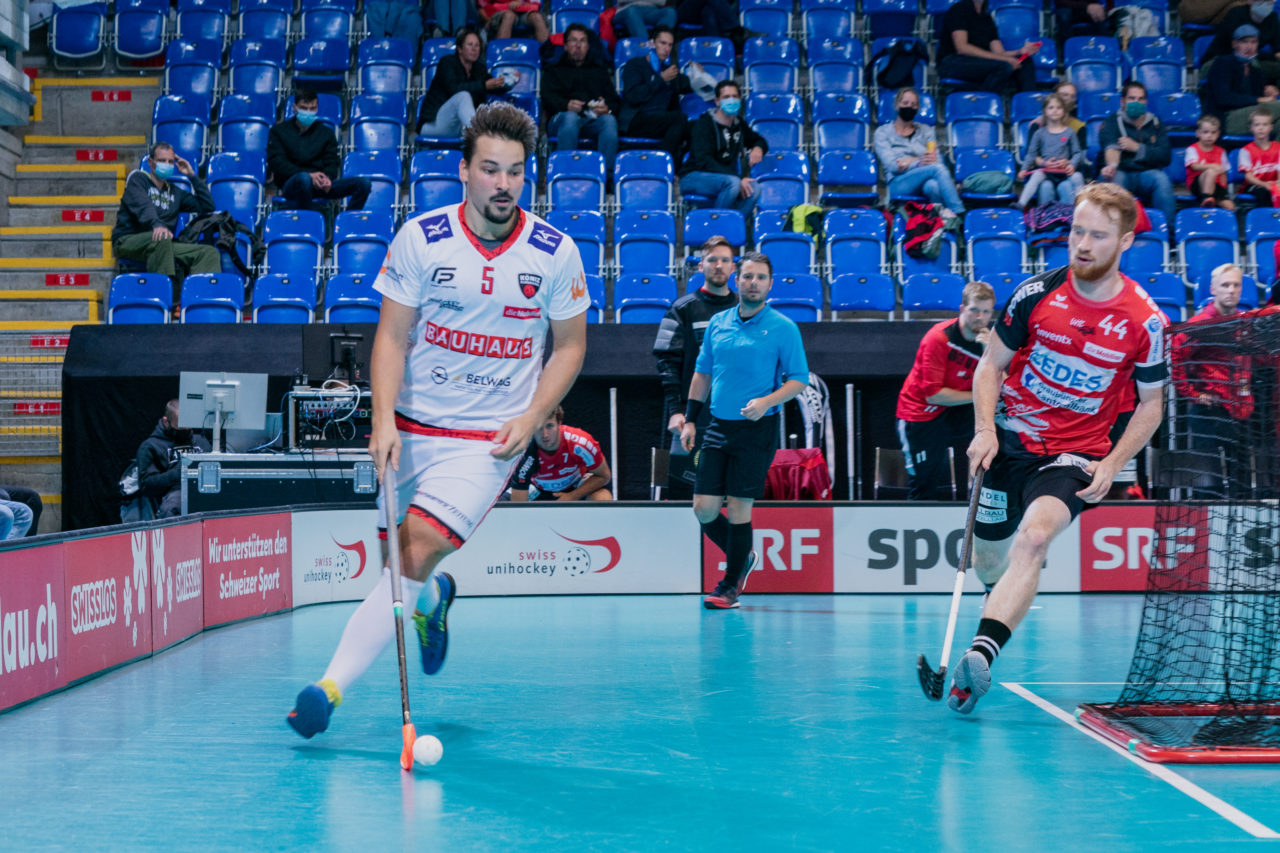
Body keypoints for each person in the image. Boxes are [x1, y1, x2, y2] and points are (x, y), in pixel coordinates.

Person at [287, 102, 590, 738]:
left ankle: (327, 690)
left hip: (488, 442)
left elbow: (569, 347)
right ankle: (432, 602)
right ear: (464, 171)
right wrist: (382, 420)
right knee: (398, 568)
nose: (504, 184)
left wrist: (533, 416)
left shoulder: (555, 252)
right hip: (410, 430)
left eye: (515, 172)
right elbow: (391, 337)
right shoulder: (421, 238)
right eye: (491, 169)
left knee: (414, 549)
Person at [948, 183, 1169, 714]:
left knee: (1034, 538)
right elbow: (990, 365)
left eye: (1098, 235)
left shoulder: (1145, 321)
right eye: (1076, 231)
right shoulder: (1036, 294)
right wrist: (984, 429)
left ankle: (980, 655)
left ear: (1126, 241)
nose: (1083, 245)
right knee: (988, 558)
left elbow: (1151, 404)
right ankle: (997, 596)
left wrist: (1114, 463)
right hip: (1008, 441)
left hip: (1075, 452)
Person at [680, 252, 810, 610]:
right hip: (717, 427)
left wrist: (767, 401)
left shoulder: (784, 327)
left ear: (770, 284)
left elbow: (798, 379)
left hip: (757, 430)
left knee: (739, 507)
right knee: (704, 509)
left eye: (761, 278)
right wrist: (690, 419)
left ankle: (729, 587)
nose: (753, 283)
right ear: (737, 281)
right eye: (748, 276)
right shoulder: (718, 323)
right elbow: (702, 373)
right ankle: (744, 556)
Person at [653, 235, 740, 499]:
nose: (718, 265)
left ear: (733, 266)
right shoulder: (681, 308)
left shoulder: (745, 309)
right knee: (681, 493)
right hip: (691, 417)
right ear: (700, 266)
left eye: (724, 260)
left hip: (737, 416)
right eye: (712, 260)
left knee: (734, 493)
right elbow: (666, 362)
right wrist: (676, 411)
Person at [895, 281, 995, 501]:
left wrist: (989, 353)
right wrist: (981, 396)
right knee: (925, 484)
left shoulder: (990, 340)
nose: (980, 317)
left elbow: (1005, 386)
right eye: (974, 310)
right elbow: (934, 395)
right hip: (921, 413)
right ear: (962, 309)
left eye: (986, 312)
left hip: (959, 410)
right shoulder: (939, 338)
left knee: (1000, 435)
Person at [1171, 262, 1254, 495]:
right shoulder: (1200, 325)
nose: (1231, 290)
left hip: (1240, 409)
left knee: (1242, 483)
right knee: (1208, 485)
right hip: (1208, 410)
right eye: (1225, 285)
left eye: (1236, 285)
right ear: (1213, 289)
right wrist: (1192, 394)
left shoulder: (1245, 323)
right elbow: (1175, 359)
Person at [112, 141, 219, 301]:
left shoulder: (175, 192)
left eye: (170, 161)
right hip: (129, 241)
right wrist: (156, 224)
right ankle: (166, 299)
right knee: (162, 238)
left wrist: (192, 175)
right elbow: (143, 205)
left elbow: (207, 206)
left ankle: (199, 302)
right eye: (162, 161)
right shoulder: (138, 179)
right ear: (151, 162)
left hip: (163, 244)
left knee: (208, 253)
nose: (167, 165)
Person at [267, 88, 371, 212]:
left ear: (317, 108)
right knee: (304, 179)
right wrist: (310, 176)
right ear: (294, 108)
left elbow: (332, 163)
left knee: (363, 184)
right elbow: (278, 164)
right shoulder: (279, 131)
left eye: (312, 108)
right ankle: (308, 220)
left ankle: (347, 221)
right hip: (292, 184)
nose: (308, 112)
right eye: (304, 108)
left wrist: (326, 178)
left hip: (320, 185)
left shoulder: (326, 133)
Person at [544, 24, 621, 181]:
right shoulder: (554, 69)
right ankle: (564, 174)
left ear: (588, 46)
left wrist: (607, 108)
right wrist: (566, 105)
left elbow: (614, 101)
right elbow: (547, 97)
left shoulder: (599, 70)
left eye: (582, 41)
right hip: (560, 119)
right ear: (565, 46)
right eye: (573, 40)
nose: (578, 45)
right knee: (570, 117)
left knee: (609, 120)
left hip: (591, 119)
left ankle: (605, 176)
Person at [873, 87, 965, 218]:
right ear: (896, 105)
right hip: (898, 183)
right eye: (905, 103)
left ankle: (936, 221)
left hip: (924, 179)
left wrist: (910, 161)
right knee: (937, 169)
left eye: (913, 105)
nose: (909, 107)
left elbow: (936, 159)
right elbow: (893, 165)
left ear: (918, 108)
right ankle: (960, 212)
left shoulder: (927, 131)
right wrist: (919, 162)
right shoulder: (882, 132)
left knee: (933, 186)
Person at [679, 80, 769, 214]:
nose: (731, 100)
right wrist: (738, 178)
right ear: (717, 101)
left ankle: (731, 225)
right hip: (694, 176)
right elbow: (704, 161)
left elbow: (759, 140)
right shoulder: (704, 124)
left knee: (754, 188)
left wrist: (758, 148)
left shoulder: (738, 124)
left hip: (725, 179)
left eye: (734, 96)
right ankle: (718, 223)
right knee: (733, 183)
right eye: (726, 97)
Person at [1098, 81, 1175, 229]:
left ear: (1146, 102)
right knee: (1115, 180)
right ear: (1122, 101)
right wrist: (1112, 165)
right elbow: (1111, 147)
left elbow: (1165, 156)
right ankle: (1116, 232)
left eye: (1140, 99)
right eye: (1132, 98)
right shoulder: (1111, 122)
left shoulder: (1156, 123)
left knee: (1162, 179)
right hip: (1121, 171)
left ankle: (1167, 234)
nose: (1136, 102)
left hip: (1146, 173)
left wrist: (1137, 148)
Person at [417, 28, 514, 137]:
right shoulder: (447, 63)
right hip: (433, 125)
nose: (474, 49)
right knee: (463, 96)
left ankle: (481, 137)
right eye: (470, 44)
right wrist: (484, 85)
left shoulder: (479, 68)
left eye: (477, 45)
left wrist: (510, 82)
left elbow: (492, 86)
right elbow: (454, 89)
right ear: (460, 49)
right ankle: (479, 138)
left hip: (459, 127)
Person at [619, 25, 692, 163]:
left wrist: (697, 73)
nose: (667, 49)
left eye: (670, 45)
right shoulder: (635, 65)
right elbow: (633, 96)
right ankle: (664, 164)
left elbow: (688, 86)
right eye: (663, 43)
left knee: (696, 126)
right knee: (679, 119)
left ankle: (685, 167)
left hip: (661, 121)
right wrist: (660, 79)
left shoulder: (669, 70)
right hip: (636, 119)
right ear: (652, 44)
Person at [509, 407, 613, 501]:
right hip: (537, 489)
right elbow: (518, 499)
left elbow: (604, 476)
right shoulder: (523, 450)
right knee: (502, 503)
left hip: (576, 486)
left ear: (559, 423)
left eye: (549, 426)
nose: (545, 434)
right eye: (539, 427)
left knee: (602, 498)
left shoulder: (580, 443)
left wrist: (572, 496)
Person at [937, 0, 1040, 95]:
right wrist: (1006, 60)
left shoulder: (986, 18)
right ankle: (982, 103)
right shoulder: (959, 9)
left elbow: (999, 53)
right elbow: (962, 48)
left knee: (1025, 62)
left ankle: (1028, 104)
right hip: (952, 62)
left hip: (980, 62)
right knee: (1003, 67)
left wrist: (1020, 51)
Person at [136, 398, 211, 519]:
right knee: (175, 505)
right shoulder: (151, 446)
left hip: (204, 490)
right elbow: (146, 485)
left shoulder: (200, 441)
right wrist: (178, 472)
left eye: (189, 427)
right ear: (166, 422)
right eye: (181, 428)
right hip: (173, 494)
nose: (185, 431)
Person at [1200, 24, 1280, 136]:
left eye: (1253, 42)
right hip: (1224, 117)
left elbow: (1256, 96)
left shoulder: (1255, 68)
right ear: (1234, 44)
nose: (1249, 47)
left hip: (1252, 115)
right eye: (1244, 42)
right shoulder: (1222, 63)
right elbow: (1223, 98)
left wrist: (1267, 91)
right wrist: (1259, 99)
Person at [1018, 94, 1087, 209]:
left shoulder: (1070, 132)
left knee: (1078, 176)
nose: (1055, 110)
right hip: (1047, 171)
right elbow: (1031, 154)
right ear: (1045, 111)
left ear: (1064, 111)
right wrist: (1024, 169)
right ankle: (1021, 204)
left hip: (1064, 171)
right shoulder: (1039, 133)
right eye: (1051, 107)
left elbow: (1077, 153)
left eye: (1059, 108)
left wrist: (1071, 164)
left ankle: (1083, 208)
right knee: (1036, 175)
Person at [1200, 0, 1280, 76]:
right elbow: (1241, 50)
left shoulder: (1273, 18)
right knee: (1251, 68)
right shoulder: (1236, 14)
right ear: (1250, 1)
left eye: (1269, 1)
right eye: (1262, 1)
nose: (1266, 3)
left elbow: (1277, 48)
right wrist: (1272, 56)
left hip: (1250, 60)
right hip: (1221, 58)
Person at [1185, 114, 1235, 210]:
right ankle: (1206, 198)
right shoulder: (1192, 149)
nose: (1209, 135)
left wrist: (1223, 191)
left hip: (1216, 185)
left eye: (1213, 132)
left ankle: (1211, 201)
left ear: (1218, 134)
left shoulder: (1221, 151)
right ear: (1198, 133)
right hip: (1197, 184)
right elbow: (1194, 166)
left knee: (1230, 206)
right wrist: (1213, 166)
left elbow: (1223, 173)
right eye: (1205, 132)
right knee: (1210, 172)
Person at [1238, 107, 1280, 206]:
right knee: (1264, 192)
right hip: (1254, 185)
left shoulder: (1278, 148)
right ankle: (1269, 215)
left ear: (1271, 127)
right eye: (1257, 124)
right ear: (1251, 128)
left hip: (1274, 184)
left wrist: (1278, 184)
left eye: (1265, 124)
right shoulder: (1245, 151)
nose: (1261, 128)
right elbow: (1249, 177)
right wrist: (1265, 185)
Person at [478, 0, 549, 41]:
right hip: (502, 12)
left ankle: (545, 56)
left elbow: (536, 4)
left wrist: (521, 2)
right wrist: (488, 20)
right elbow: (481, 7)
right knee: (509, 16)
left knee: (537, 17)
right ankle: (501, 55)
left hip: (524, 12)